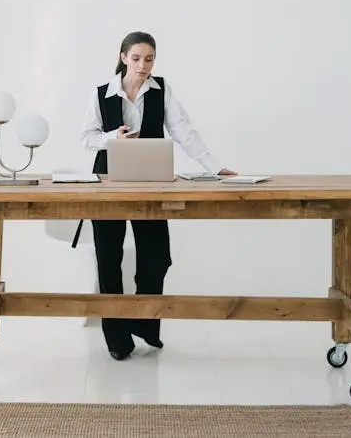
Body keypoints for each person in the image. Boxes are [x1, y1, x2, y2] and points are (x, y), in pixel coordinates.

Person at [79, 31, 236, 361]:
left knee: (157, 256)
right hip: (108, 182)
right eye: (136, 58)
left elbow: (184, 132)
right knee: (109, 260)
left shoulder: (161, 90)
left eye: (149, 59)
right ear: (123, 57)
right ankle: (117, 339)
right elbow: (86, 137)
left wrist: (216, 167)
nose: (142, 65)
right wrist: (112, 138)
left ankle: (144, 321)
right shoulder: (101, 93)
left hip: (151, 182)